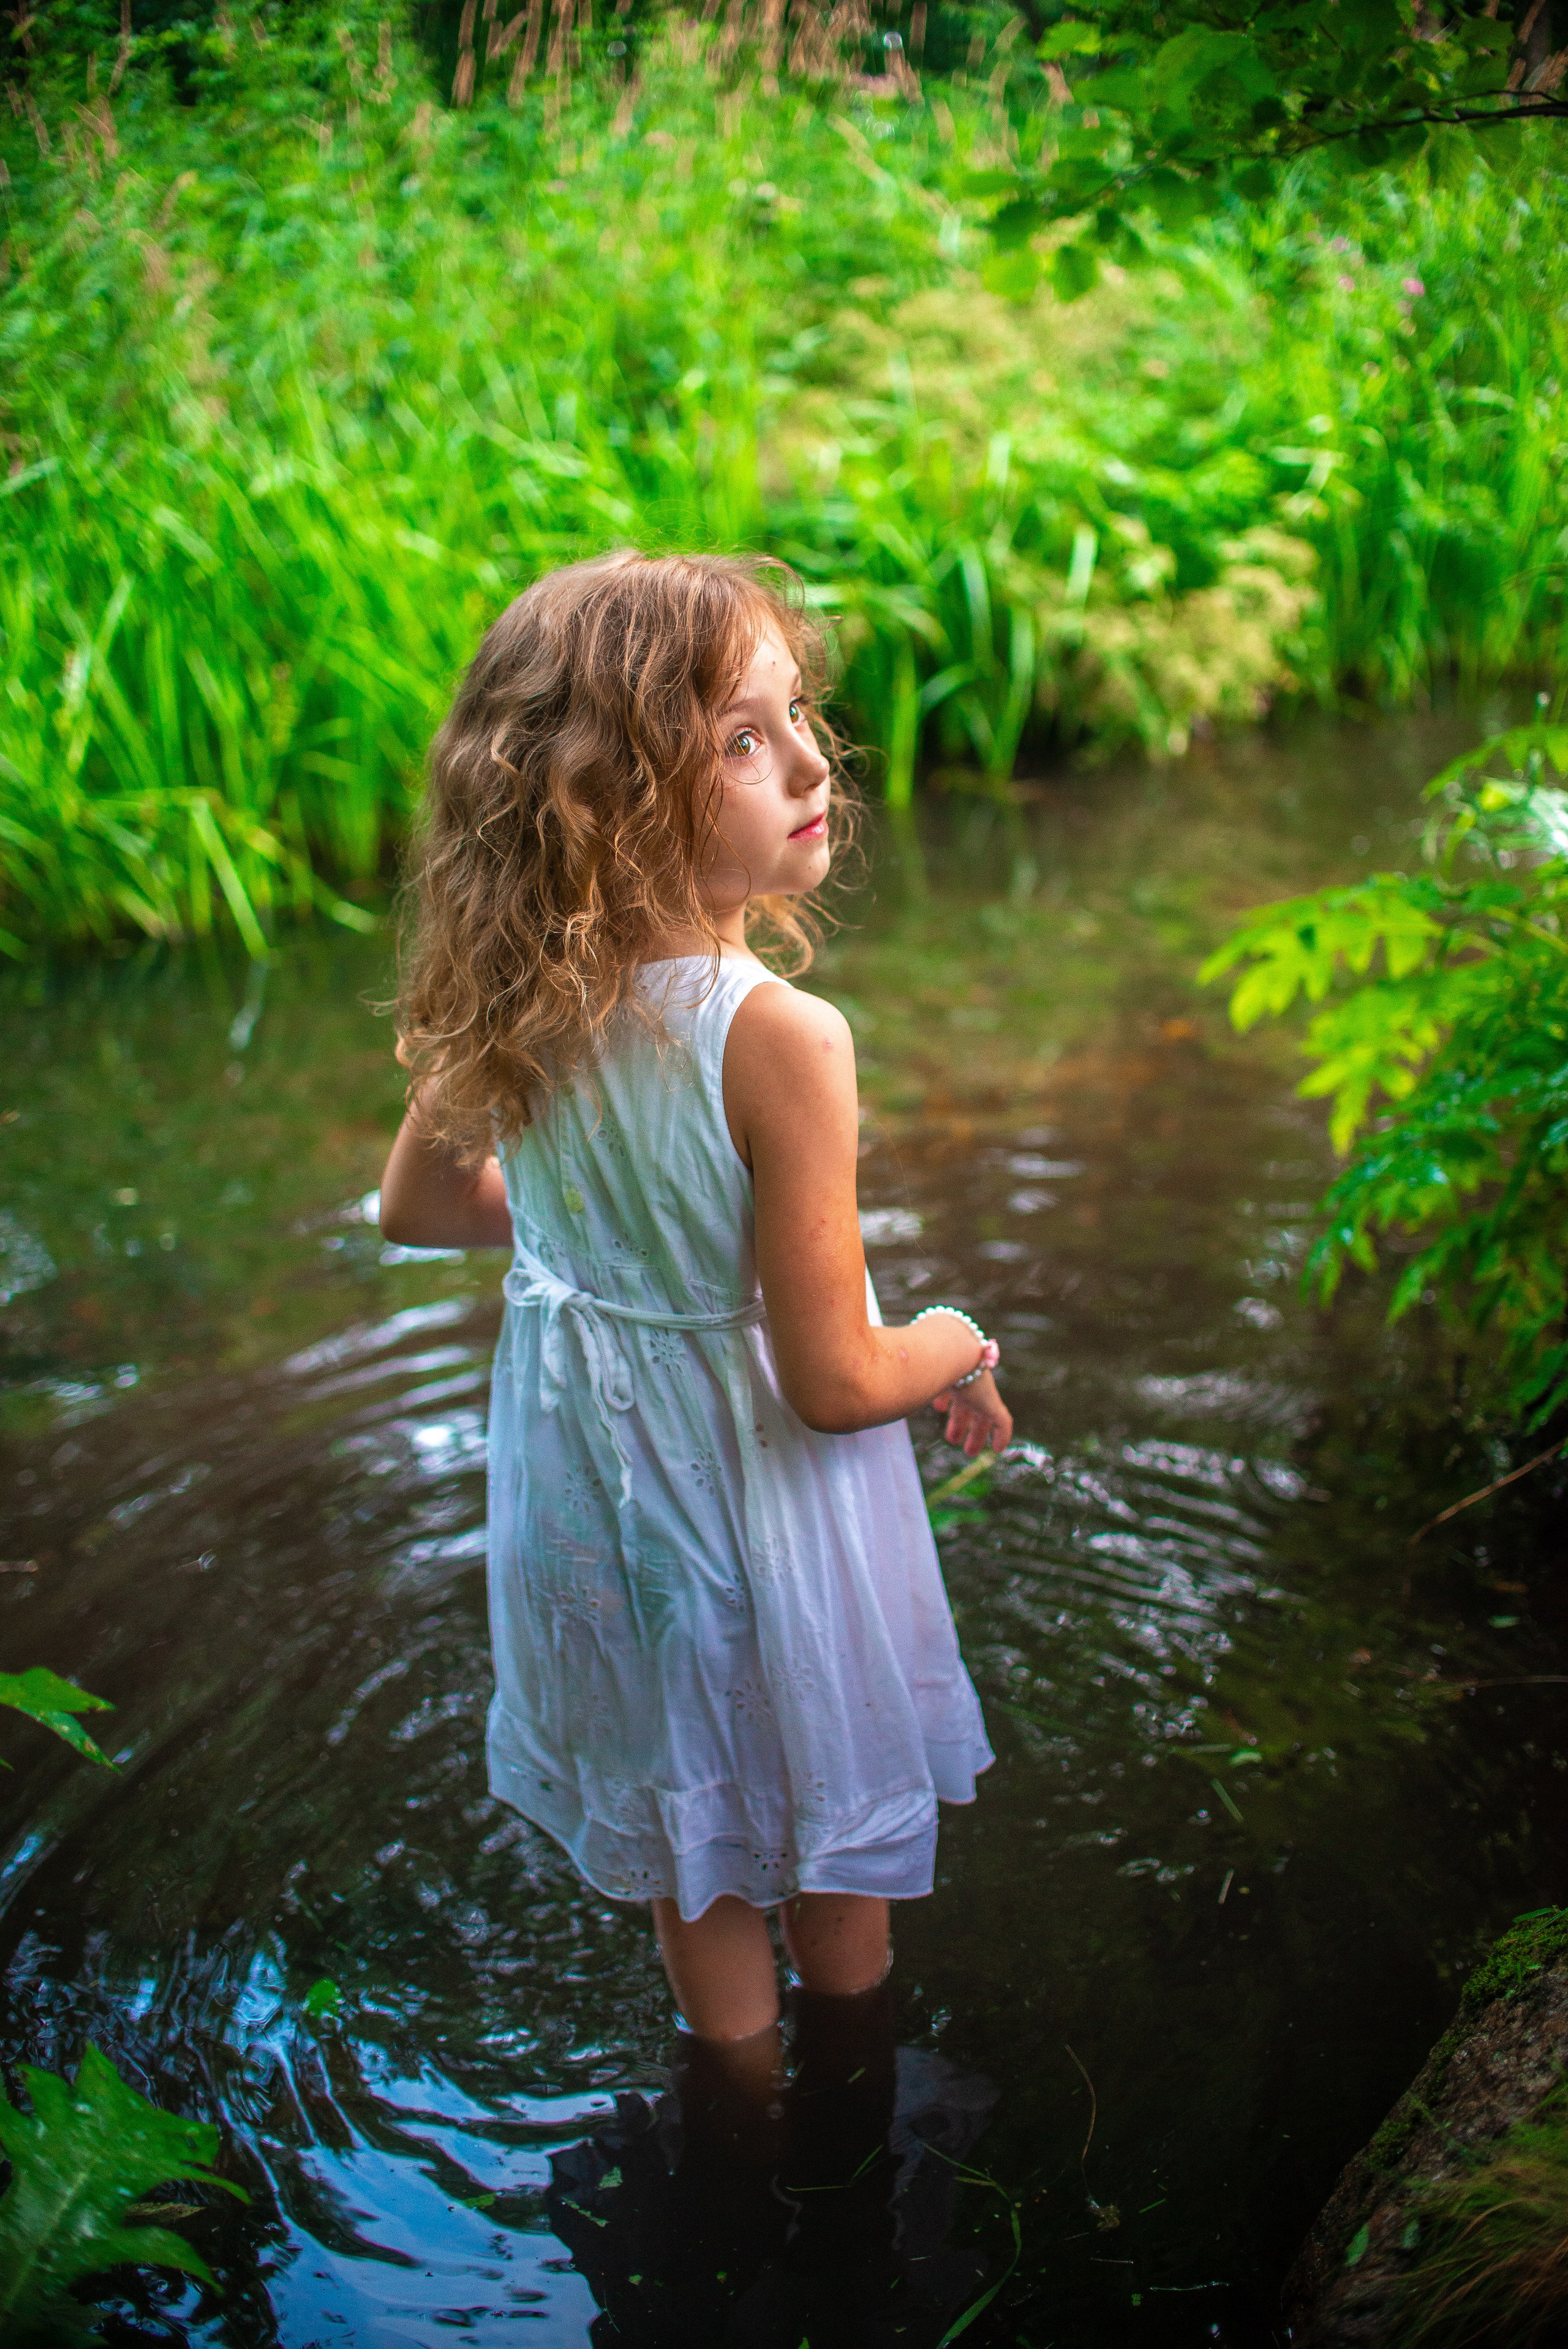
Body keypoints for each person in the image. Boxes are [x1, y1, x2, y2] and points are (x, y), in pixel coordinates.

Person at [379, 550, 1009, 2079]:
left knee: (694, 1837)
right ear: (610, 793)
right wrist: (957, 1337)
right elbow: (836, 1381)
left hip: (595, 1509)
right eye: (741, 739)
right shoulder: (784, 1034)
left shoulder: (520, 991)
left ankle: (732, 2115)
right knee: (830, 1838)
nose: (811, 766)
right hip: (759, 1513)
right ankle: (851, 2104)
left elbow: (418, 1208)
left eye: (796, 719)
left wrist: (607, 1237)